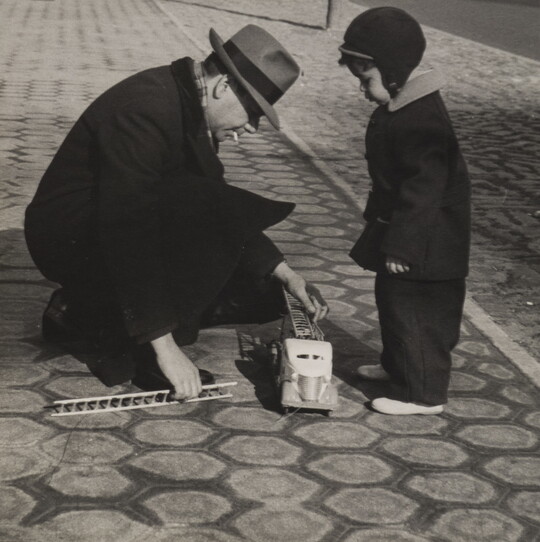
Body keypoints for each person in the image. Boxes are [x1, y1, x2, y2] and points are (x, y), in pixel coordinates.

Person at [25, 25, 328, 400]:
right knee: (193, 228)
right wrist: (166, 347)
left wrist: (286, 274)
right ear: (222, 88)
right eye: (252, 111)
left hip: (106, 225)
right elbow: (127, 231)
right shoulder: (144, 109)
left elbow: (222, 209)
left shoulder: (184, 100)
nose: (252, 126)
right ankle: (140, 349)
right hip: (69, 236)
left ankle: (81, 313)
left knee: (262, 293)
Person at [339, 8, 471, 415]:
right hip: (409, 234)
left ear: (393, 71)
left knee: (419, 315)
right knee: (394, 303)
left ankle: (423, 393)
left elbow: (423, 188)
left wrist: (404, 245)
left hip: (427, 243)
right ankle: (397, 367)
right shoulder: (405, 107)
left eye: (367, 79)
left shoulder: (420, 119)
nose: (362, 88)